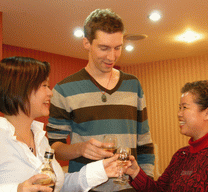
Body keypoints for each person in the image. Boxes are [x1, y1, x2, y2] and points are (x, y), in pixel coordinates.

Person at [46, 8, 155, 191]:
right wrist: (80, 148)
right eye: (104, 48)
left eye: (117, 48)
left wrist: (146, 183)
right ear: (86, 43)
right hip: (86, 187)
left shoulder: (133, 84)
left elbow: (144, 142)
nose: (112, 57)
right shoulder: (64, 89)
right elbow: (52, 147)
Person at [0, 56, 120, 192]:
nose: (50, 93)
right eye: (44, 86)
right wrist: (16, 190)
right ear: (19, 88)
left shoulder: (40, 139)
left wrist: (101, 170)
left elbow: (58, 185)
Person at [125, 80, 208, 191]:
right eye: (179, 108)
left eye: (184, 108)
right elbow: (159, 190)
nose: (179, 114)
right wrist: (135, 172)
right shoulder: (181, 156)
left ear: (207, 113)